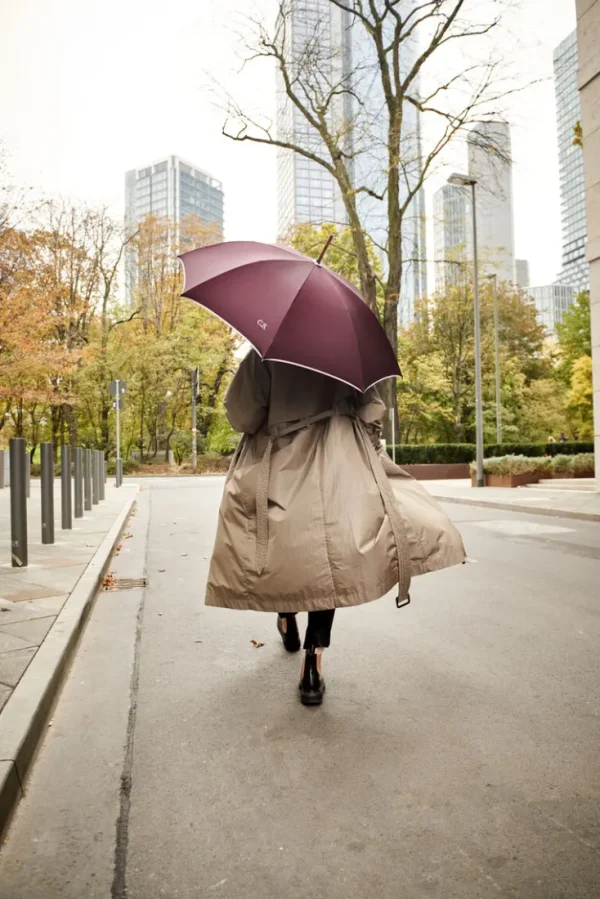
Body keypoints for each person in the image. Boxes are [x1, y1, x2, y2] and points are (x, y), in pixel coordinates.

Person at [205, 351, 466, 706]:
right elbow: (372, 410)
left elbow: (242, 416)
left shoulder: (264, 354)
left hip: (280, 466)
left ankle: (286, 615)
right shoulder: (346, 352)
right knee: (329, 565)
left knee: (286, 552)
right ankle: (313, 661)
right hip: (338, 468)